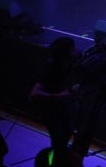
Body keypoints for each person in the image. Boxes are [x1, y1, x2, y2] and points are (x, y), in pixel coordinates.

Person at [29, 36, 80, 167]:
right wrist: (59, 96)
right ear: (66, 52)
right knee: (58, 137)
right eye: (72, 49)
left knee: (67, 131)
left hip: (58, 104)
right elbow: (34, 93)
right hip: (48, 106)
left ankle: (59, 158)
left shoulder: (68, 62)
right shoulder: (50, 68)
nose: (76, 51)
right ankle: (54, 162)